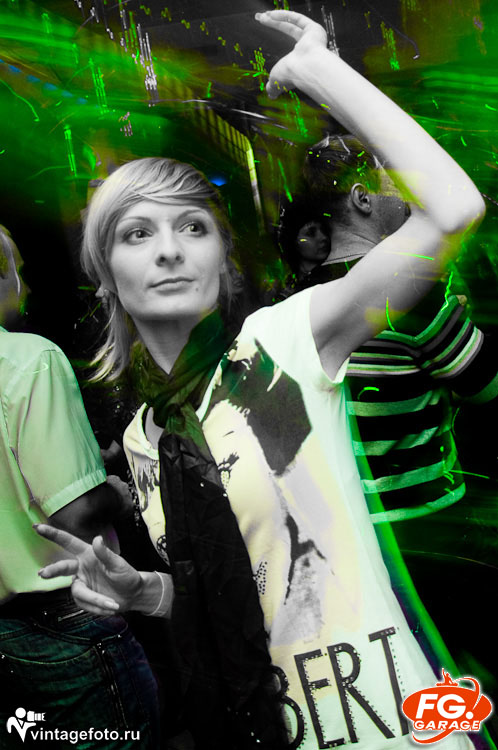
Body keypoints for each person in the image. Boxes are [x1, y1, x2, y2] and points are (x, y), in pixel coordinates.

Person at [35, 10, 486, 750]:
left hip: (386, 725)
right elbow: (249, 588)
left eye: (192, 227)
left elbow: (453, 210)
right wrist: (149, 592)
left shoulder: (282, 343)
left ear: (223, 258)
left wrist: (320, 73)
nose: (169, 251)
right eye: (137, 233)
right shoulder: (144, 438)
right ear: (106, 273)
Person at [0, 226, 159, 749]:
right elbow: (74, 514)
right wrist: (117, 489)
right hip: (65, 616)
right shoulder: (28, 359)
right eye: (18, 272)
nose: (25, 287)